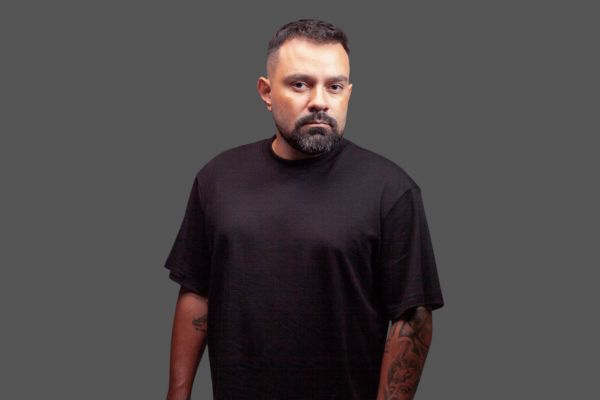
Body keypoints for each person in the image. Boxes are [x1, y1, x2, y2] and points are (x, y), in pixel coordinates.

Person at [164, 19, 445, 400]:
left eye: (334, 86)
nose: (320, 101)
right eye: (300, 84)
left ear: (348, 93)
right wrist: (177, 394)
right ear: (266, 91)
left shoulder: (392, 190)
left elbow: (412, 317)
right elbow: (197, 291)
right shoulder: (217, 178)